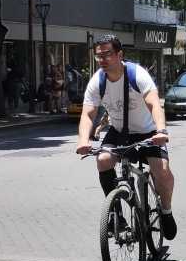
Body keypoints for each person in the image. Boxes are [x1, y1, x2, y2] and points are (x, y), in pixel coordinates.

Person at [75, 34, 177, 240]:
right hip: (120, 131)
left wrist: (161, 130)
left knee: (162, 171)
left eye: (107, 54)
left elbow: (154, 103)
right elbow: (88, 114)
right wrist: (83, 140)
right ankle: (116, 216)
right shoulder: (98, 81)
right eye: (99, 56)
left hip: (148, 132)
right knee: (103, 160)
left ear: (120, 54)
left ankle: (166, 212)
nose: (103, 60)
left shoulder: (137, 75)